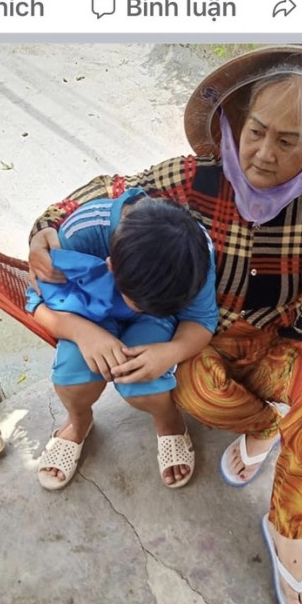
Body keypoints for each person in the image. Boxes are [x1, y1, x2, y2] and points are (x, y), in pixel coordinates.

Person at [28, 46, 302, 604]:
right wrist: (45, 229)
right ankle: (263, 425)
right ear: (237, 122)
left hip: (281, 341)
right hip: (207, 338)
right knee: (198, 395)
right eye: (256, 131)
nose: (263, 154)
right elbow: (110, 190)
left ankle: (287, 530)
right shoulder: (193, 177)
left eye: (288, 141)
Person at [27, 189, 218, 491]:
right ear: (111, 265)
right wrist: (82, 333)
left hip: (155, 321)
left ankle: (167, 419)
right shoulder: (82, 233)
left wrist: (170, 352)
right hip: (84, 314)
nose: (139, 307)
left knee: (143, 382)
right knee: (72, 377)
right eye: (138, 301)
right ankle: (78, 420)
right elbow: (37, 302)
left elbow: (202, 320)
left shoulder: (196, 255)